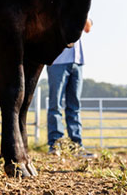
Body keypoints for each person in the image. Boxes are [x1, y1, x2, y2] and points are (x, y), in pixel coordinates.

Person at [46, 18, 94, 156]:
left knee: (74, 106)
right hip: (57, 60)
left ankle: (76, 146)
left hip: (77, 61)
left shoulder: (79, 7)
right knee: (55, 105)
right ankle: (55, 145)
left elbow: (88, 28)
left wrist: (82, 10)